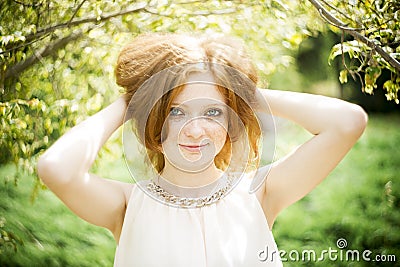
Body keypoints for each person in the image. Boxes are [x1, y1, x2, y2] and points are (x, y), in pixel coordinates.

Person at [37, 32, 368, 266]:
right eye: (175, 112)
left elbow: (347, 122)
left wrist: (241, 95)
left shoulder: (260, 194)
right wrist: (131, 102)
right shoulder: (125, 206)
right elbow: (56, 168)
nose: (195, 131)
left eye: (213, 112)